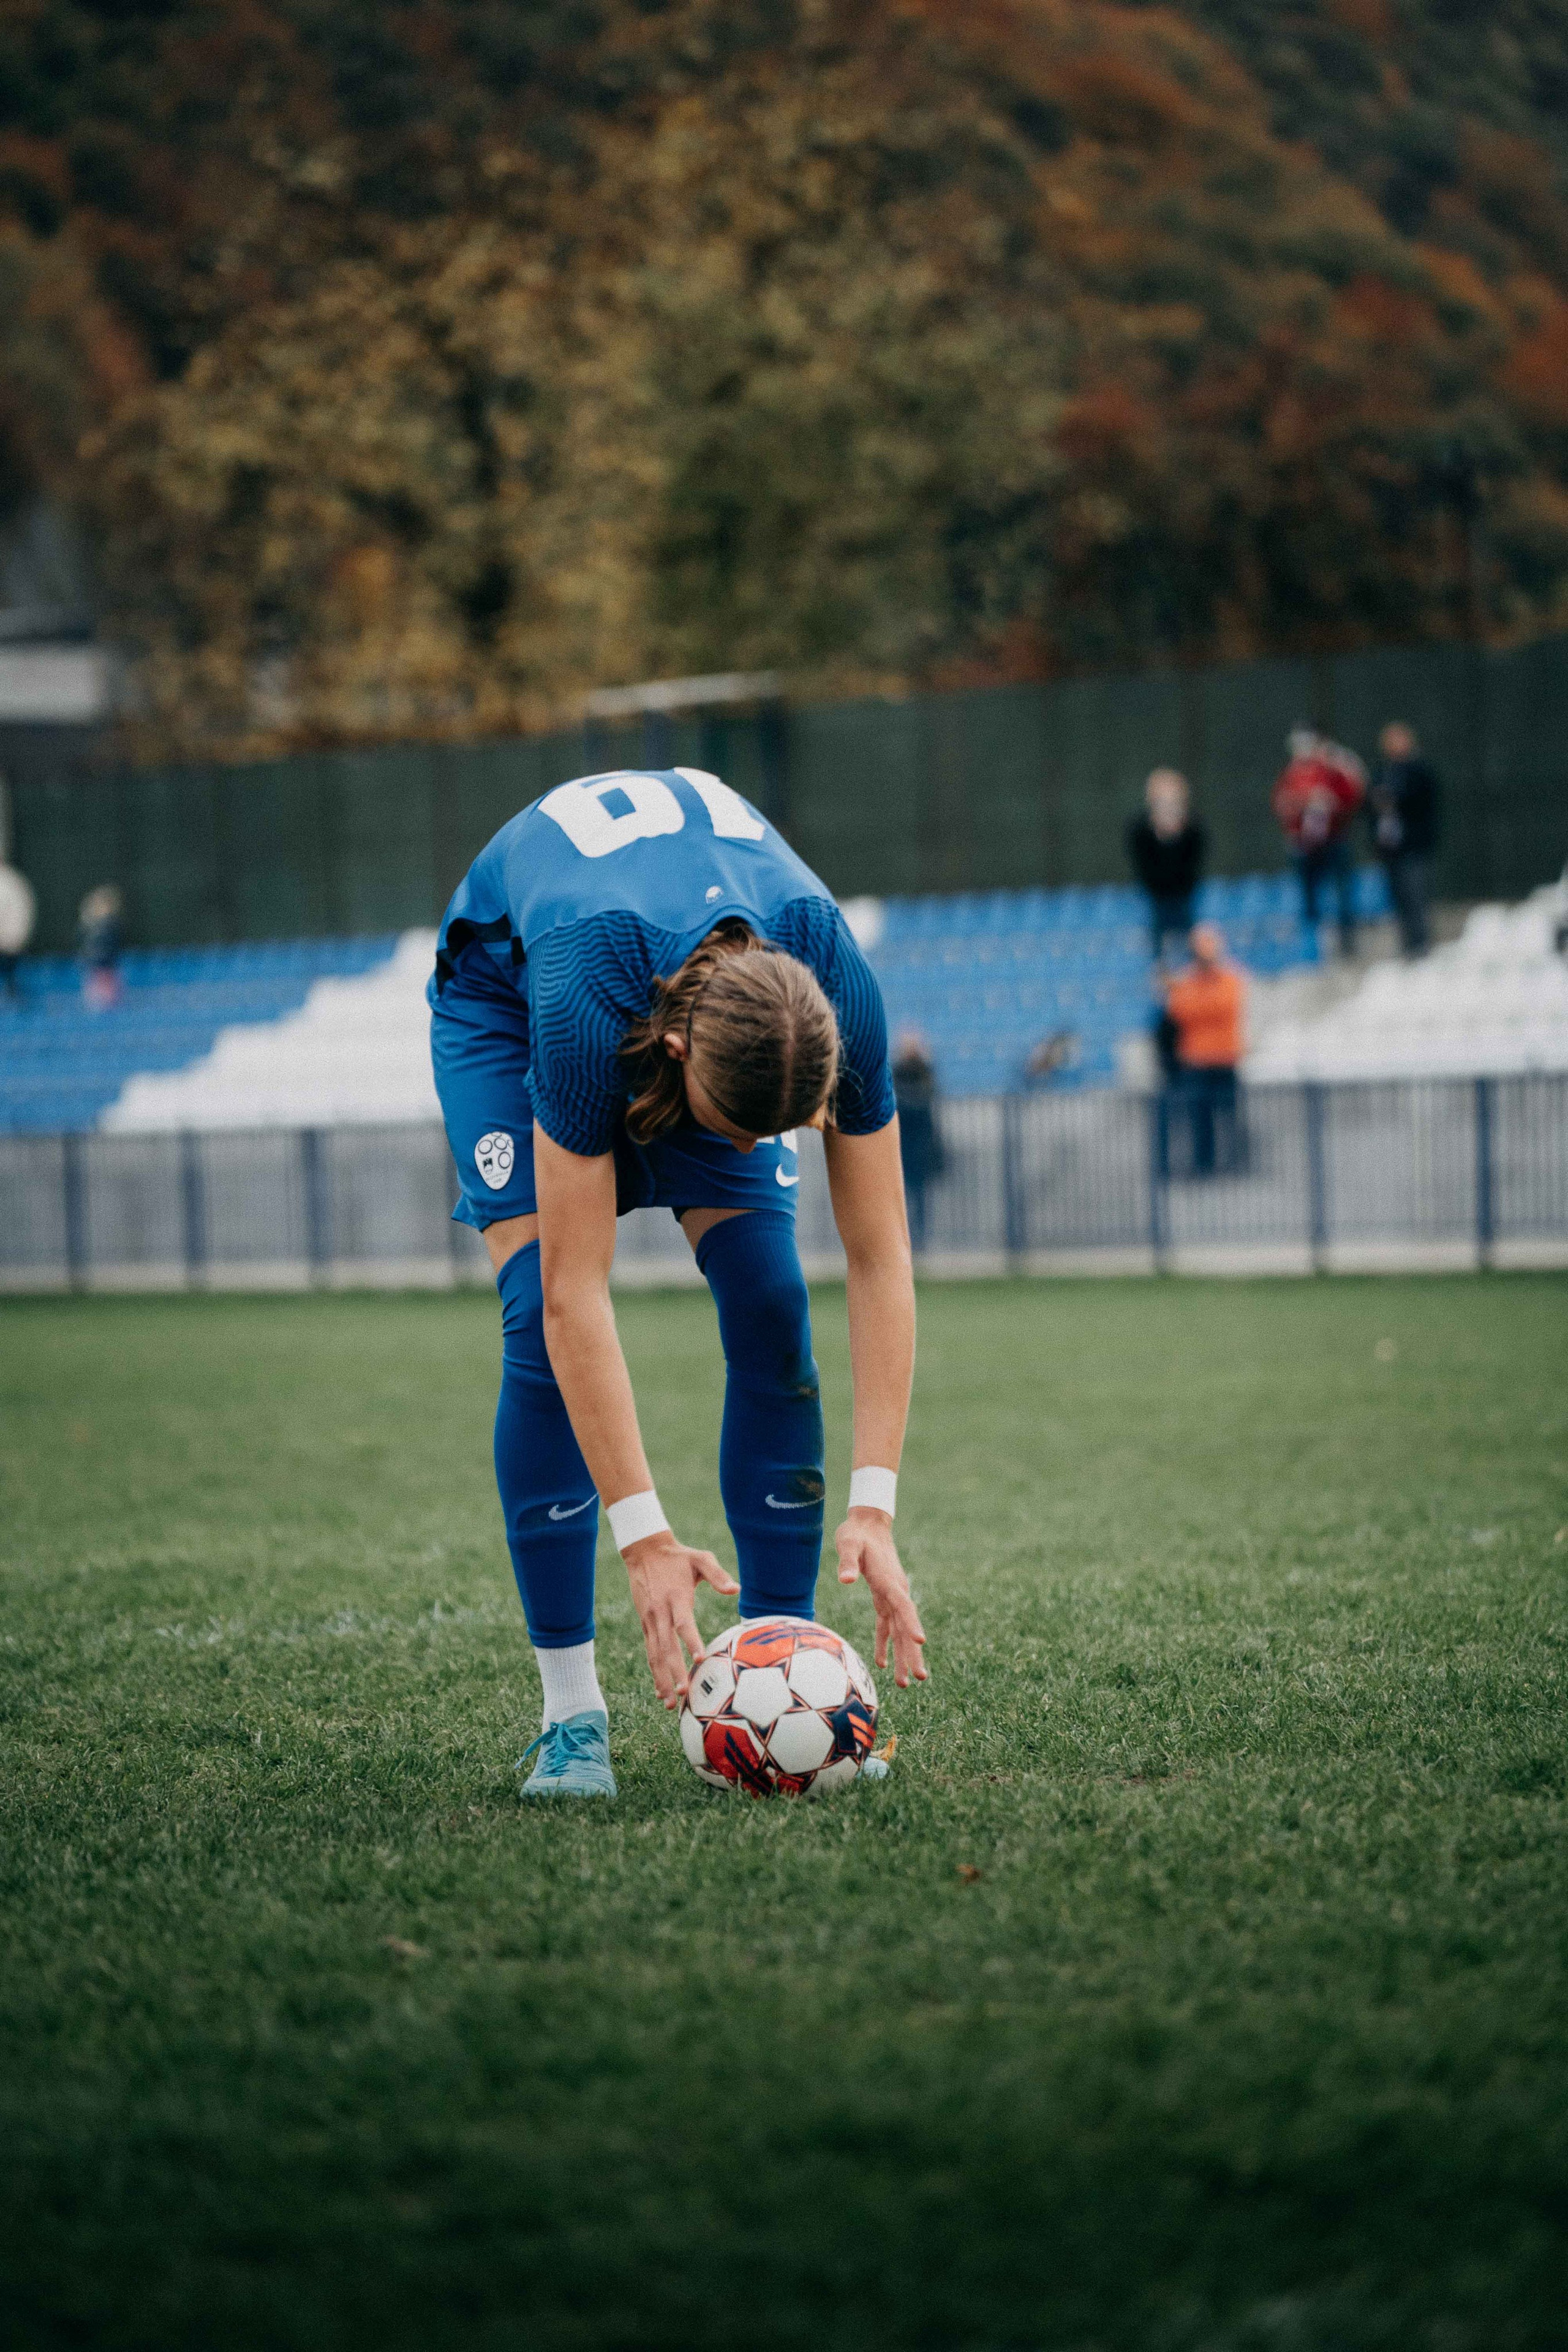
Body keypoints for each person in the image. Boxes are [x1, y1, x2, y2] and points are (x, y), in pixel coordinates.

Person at [428, 763, 928, 1800]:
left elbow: (879, 1257)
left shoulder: (837, 988)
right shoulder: (582, 997)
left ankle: (785, 1677)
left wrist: (874, 1505)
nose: (762, 1149)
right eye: (744, 1130)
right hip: (508, 991)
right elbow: (577, 1296)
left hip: (697, 989)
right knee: (533, 1325)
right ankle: (572, 1721)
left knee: (770, 1297)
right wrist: (643, 1535)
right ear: (673, 1053)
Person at [1272, 728, 1365, 958]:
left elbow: (1352, 795)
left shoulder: (1332, 770)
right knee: (1309, 900)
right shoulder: (1290, 775)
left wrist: (1327, 801)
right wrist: (1298, 806)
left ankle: (1347, 946)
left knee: (1343, 896)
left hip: (1333, 841)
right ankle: (1312, 950)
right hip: (1304, 846)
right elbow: (1280, 804)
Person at [1163, 923, 1246, 1177]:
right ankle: (1204, 1165)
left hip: (1225, 1058)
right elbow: (1180, 1012)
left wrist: (1200, 1005)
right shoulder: (1186, 980)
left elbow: (1226, 1007)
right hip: (1197, 1060)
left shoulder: (1231, 977)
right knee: (1200, 1118)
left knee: (1229, 1116)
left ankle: (1234, 1164)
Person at [1368, 721, 1441, 957]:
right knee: (1398, 897)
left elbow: (1422, 801)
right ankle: (1408, 945)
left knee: (1415, 895)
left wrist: (1396, 800)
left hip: (1413, 845)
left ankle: (1422, 944)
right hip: (1390, 848)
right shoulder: (1382, 772)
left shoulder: (1419, 771)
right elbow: (1369, 804)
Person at [1126, 767, 1205, 963]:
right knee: (1159, 953)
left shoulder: (1194, 829)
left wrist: (1176, 837)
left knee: (1191, 949)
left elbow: (1194, 865)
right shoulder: (1140, 831)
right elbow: (1142, 866)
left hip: (1185, 897)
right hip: (1156, 898)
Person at [891, 1031, 943, 1253]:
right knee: (900, 1195)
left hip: (920, 1146)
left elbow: (927, 1097)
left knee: (920, 1195)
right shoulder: (896, 1073)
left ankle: (919, 1239)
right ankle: (904, 1238)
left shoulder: (925, 1072)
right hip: (902, 1144)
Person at [77, 884, 125, 1010]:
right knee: (97, 1005)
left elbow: (110, 951)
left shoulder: (111, 927)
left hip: (107, 970)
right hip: (96, 970)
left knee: (109, 1005)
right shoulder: (91, 928)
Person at [0, 854, 35, 1001]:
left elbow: (21, 912)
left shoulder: (9, 882)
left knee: (11, 979)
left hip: (10, 943)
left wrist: (13, 938)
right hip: (11, 941)